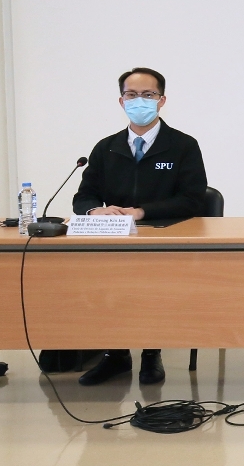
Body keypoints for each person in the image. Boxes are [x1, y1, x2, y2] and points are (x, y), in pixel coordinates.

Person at [72, 67, 208, 386]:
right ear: (121, 101)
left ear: (162, 100)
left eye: (148, 95)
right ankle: (116, 354)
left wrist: (142, 212)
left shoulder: (183, 145)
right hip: (114, 240)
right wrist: (95, 211)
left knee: (152, 285)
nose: (139, 101)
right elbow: (83, 196)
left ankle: (151, 353)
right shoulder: (106, 148)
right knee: (103, 283)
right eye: (132, 95)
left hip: (165, 238)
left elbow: (192, 199)